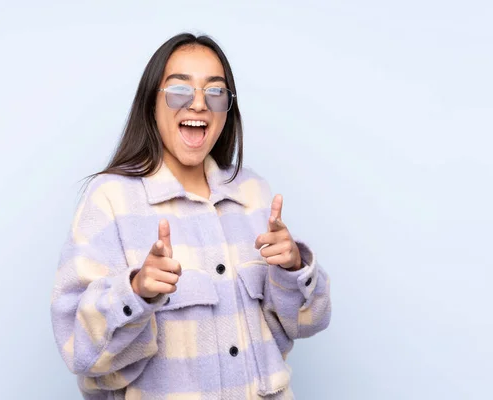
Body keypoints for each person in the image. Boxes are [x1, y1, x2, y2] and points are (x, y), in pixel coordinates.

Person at [50, 32, 331, 400]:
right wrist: (135, 291)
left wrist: (293, 268)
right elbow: (78, 347)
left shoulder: (253, 194)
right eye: (180, 89)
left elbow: (306, 323)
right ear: (152, 102)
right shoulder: (110, 198)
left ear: (226, 108)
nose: (198, 103)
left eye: (214, 92)